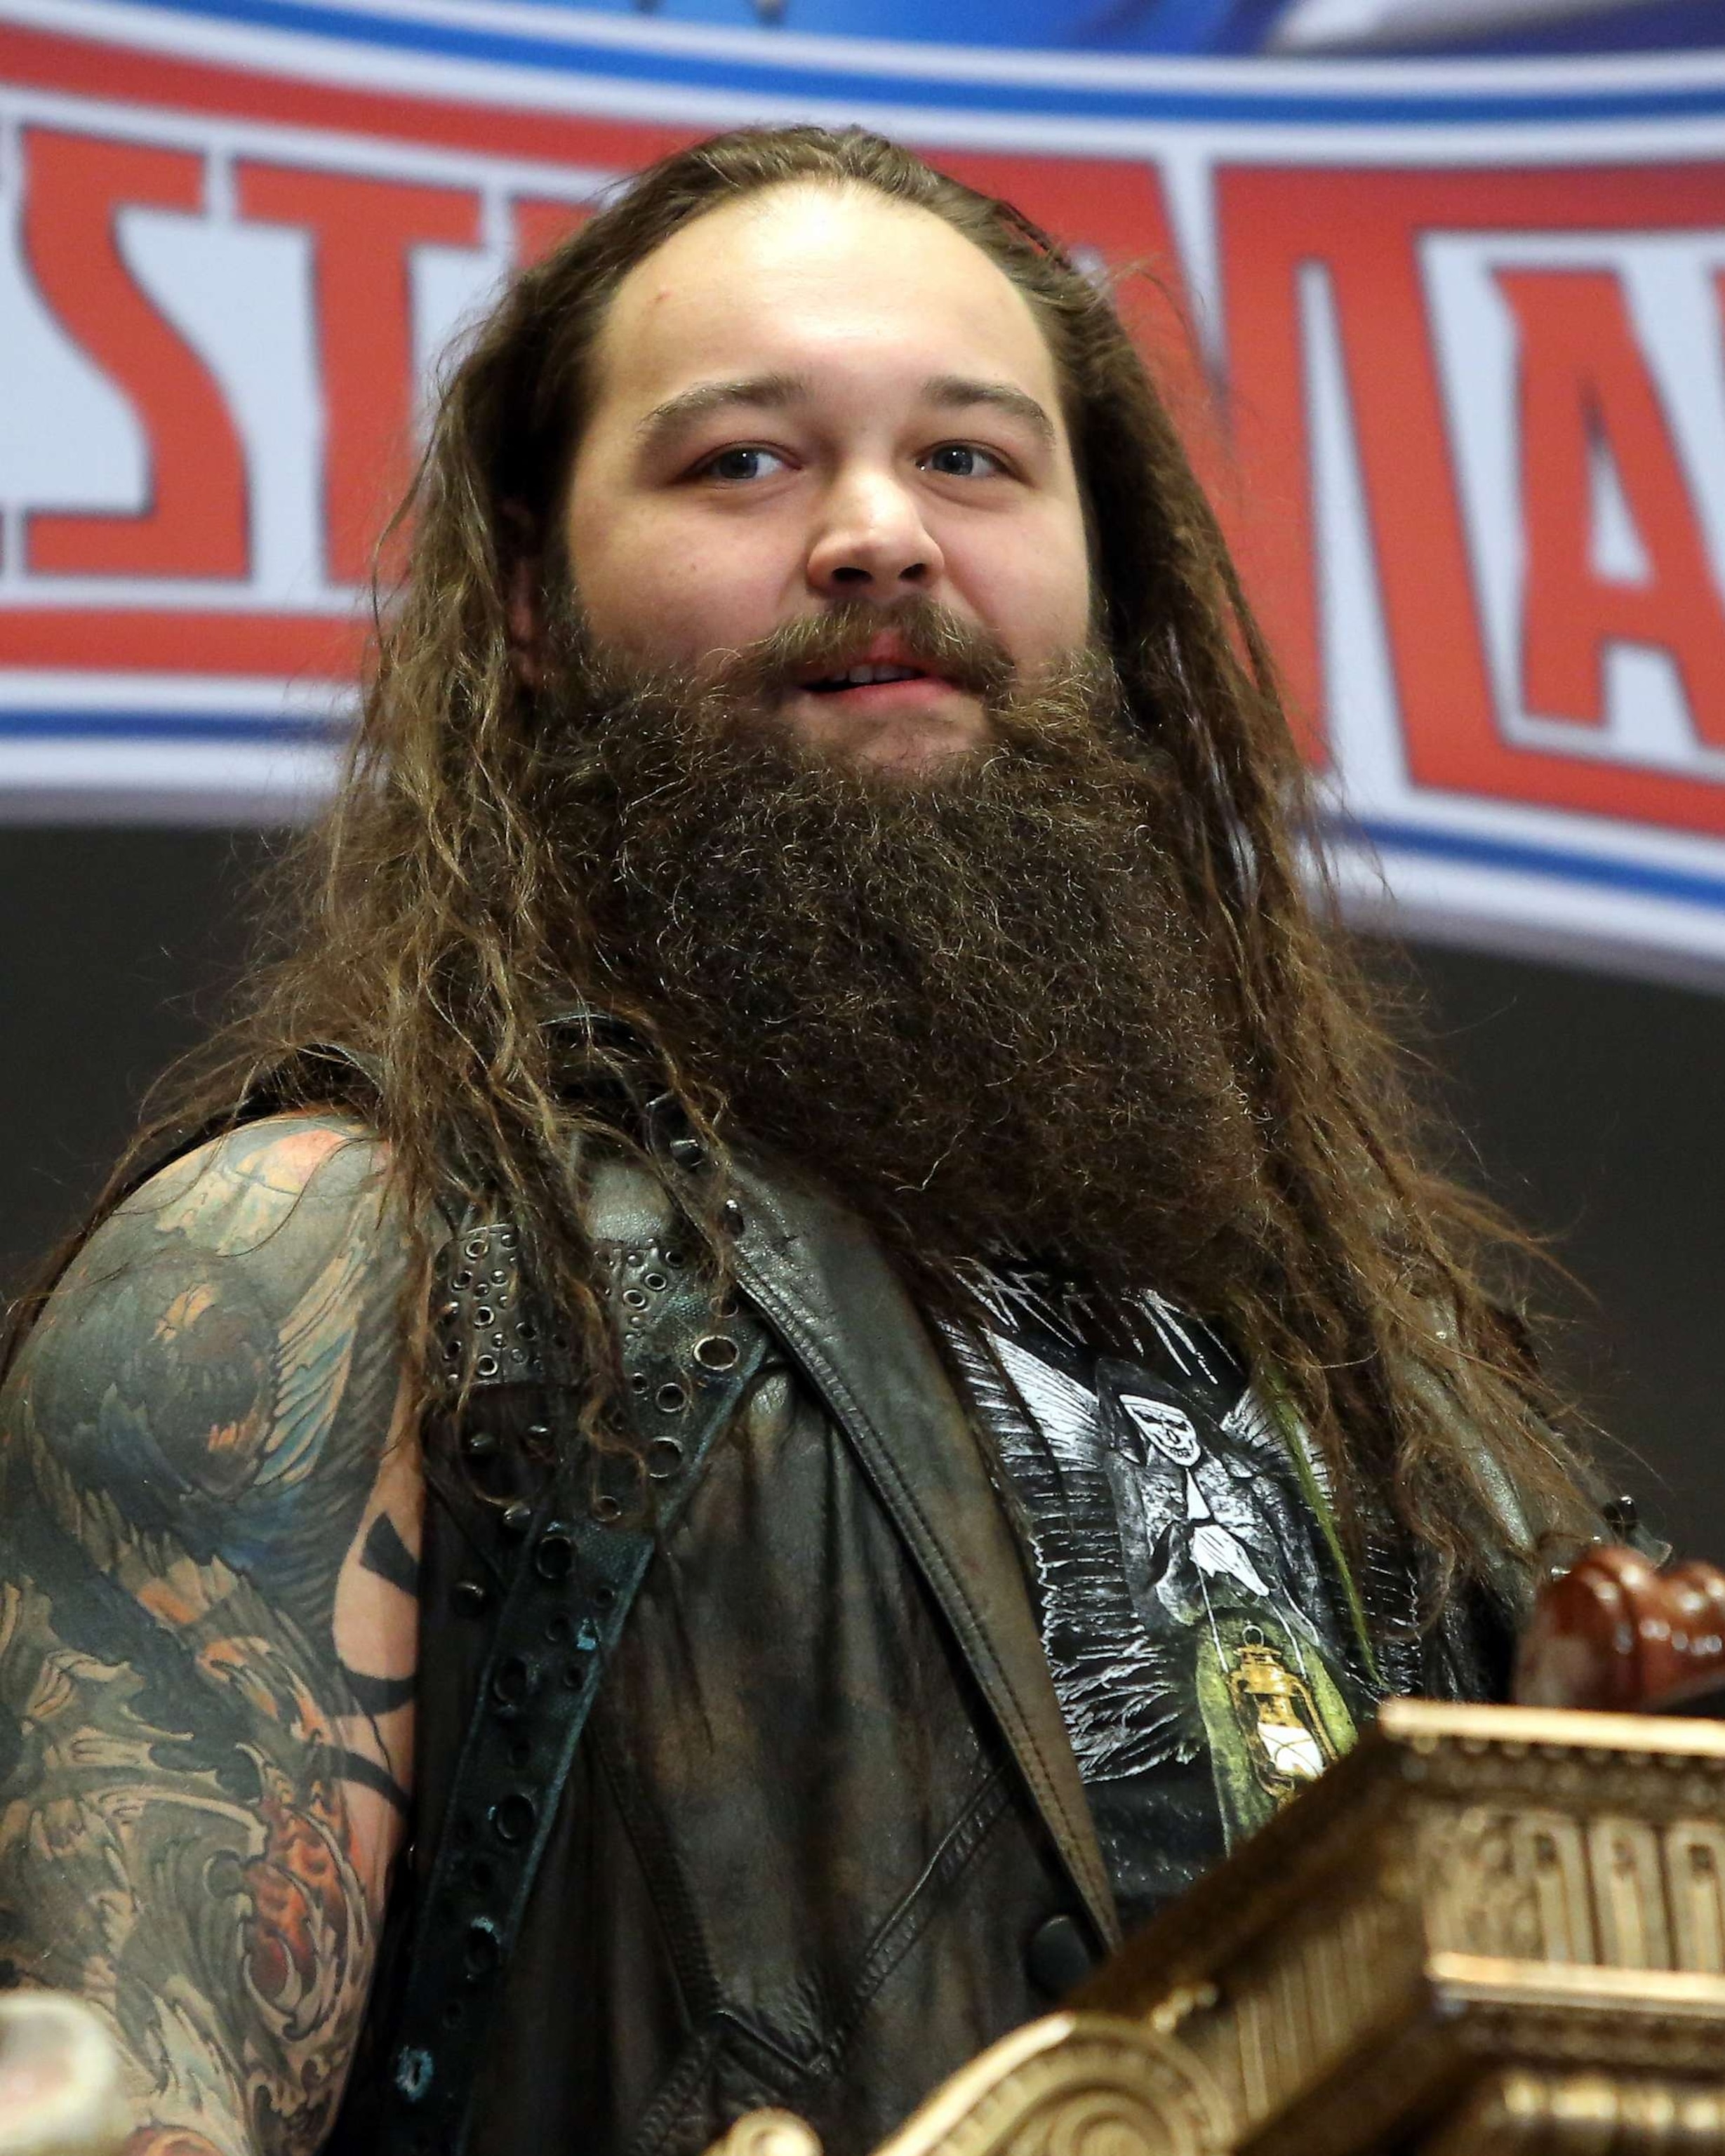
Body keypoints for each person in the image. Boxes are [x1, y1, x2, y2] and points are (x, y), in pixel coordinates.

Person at [0, 126, 1632, 2156]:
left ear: (1106, 592)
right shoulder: (318, 1264)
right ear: (523, 602)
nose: (877, 536)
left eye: (968, 458)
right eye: (741, 463)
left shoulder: (1386, 1401)